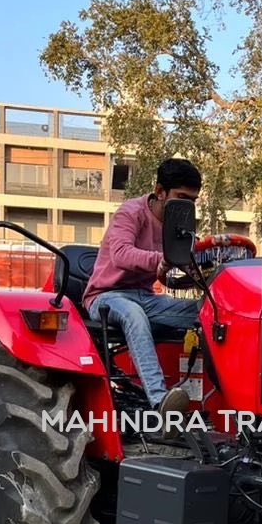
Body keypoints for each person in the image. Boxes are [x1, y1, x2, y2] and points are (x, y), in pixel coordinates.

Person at [82, 157, 202, 417]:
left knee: (207, 312)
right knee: (133, 314)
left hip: (146, 298)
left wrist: (201, 270)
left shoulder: (179, 225)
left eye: (191, 201)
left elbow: (176, 269)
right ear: (160, 191)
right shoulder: (130, 213)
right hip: (106, 296)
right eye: (181, 197)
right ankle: (160, 402)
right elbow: (121, 255)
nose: (186, 206)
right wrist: (163, 259)